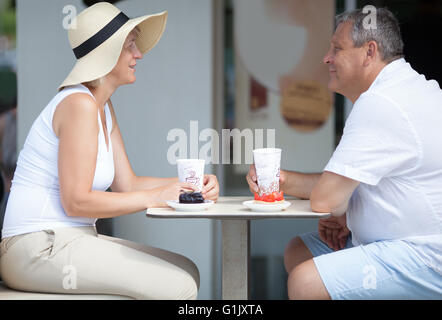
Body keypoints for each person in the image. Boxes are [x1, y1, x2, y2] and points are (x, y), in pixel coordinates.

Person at [0, 2, 219, 299]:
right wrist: (156, 197)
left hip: (71, 241)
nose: (138, 54)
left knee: (187, 269)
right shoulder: (79, 106)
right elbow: (75, 202)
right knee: (179, 286)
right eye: (130, 46)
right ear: (107, 52)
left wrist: (191, 187)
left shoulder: (102, 107)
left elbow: (127, 184)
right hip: (37, 248)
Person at [246, 7, 442, 299]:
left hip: (424, 256)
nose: (327, 58)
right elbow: (343, 187)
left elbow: (326, 198)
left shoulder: (381, 102)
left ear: (369, 52)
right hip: (402, 239)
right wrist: (282, 181)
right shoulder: (407, 88)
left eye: (337, 48)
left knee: (306, 282)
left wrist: (345, 212)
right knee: (300, 250)